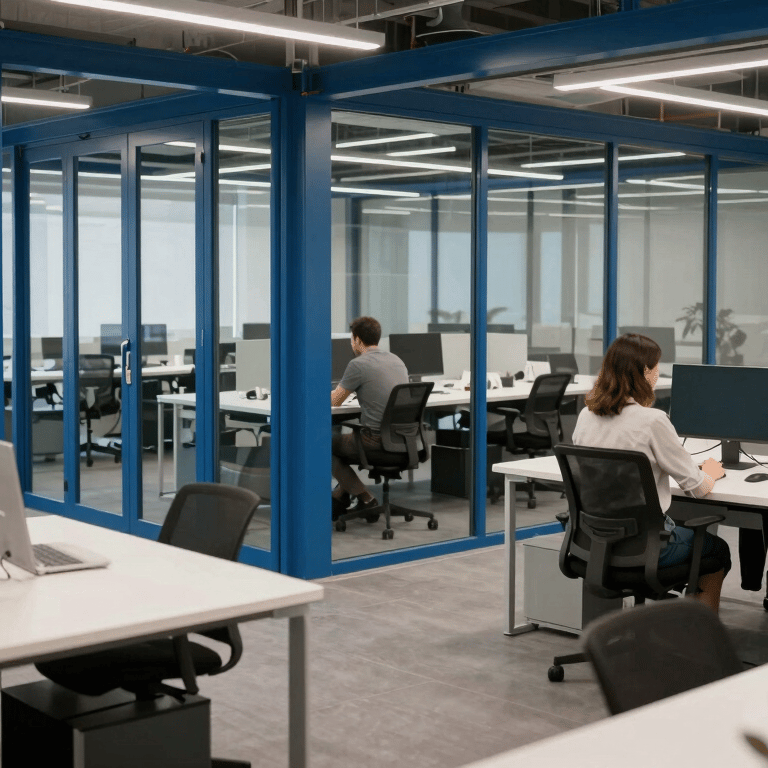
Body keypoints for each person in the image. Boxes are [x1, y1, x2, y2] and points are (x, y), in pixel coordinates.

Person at [572, 333, 731, 612]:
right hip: (645, 547)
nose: (658, 372)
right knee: (717, 550)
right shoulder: (653, 420)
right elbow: (698, 488)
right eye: (656, 366)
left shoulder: (586, 416)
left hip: (594, 542)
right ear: (644, 372)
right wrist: (711, 472)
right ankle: (700, 641)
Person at [331, 316, 408, 518]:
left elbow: (335, 401)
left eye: (351, 339)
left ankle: (366, 498)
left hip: (374, 441)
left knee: (320, 445)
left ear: (356, 340)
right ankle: (340, 496)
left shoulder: (358, 364)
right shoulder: (397, 361)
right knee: (340, 445)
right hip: (404, 440)